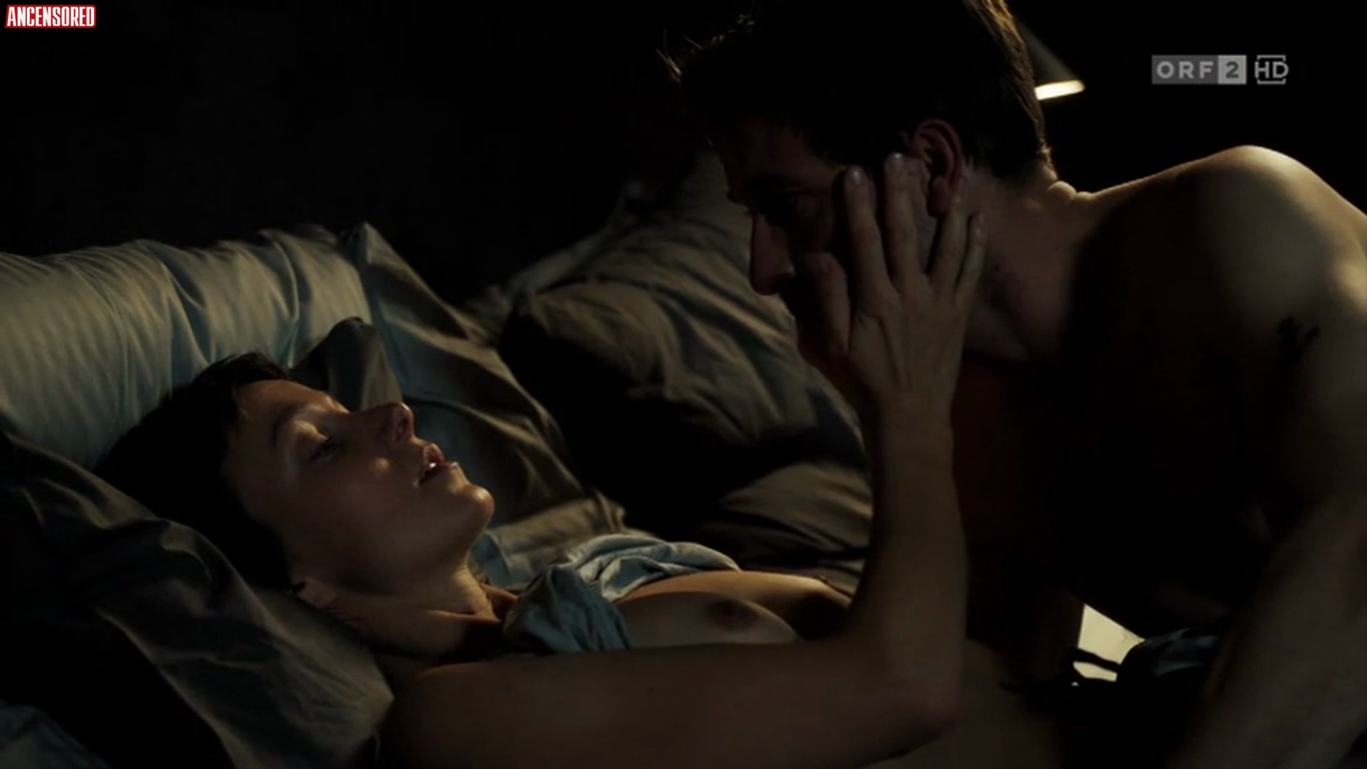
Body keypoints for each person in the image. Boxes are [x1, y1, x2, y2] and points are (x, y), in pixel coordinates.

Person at [95, 184, 1068, 768]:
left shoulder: (590, 580)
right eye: (320, 445)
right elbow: (903, 693)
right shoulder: (453, 720)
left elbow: (986, 677)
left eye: (349, 410)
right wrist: (906, 409)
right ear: (296, 581)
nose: (392, 414)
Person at [668, 0, 1367, 767]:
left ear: (931, 165)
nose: (763, 269)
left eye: (783, 206)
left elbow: (1357, 535)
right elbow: (990, 695)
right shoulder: (954, 411)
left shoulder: (1233, 219)